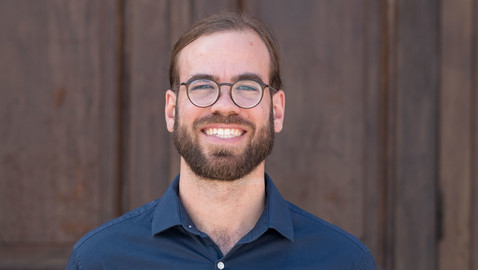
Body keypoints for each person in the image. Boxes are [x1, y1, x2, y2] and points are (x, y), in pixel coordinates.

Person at [66, 12, 376, 269]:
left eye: (247, 86)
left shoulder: (344, 261)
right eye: (202, 85)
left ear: (276, 110)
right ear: (172, 110)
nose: (225, 105)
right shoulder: (99, 259)